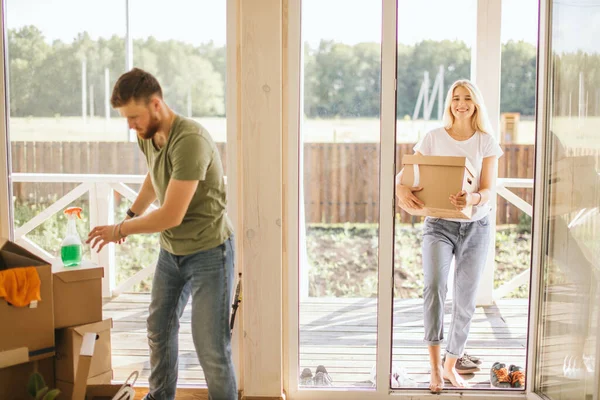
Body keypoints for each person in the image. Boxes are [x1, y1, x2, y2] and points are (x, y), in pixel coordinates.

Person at [87, 68, 236, 400]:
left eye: (134, 116)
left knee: (211, 346)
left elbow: (171, 214)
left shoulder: (190, 140)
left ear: (156, 104)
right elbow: (155, 177)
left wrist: (118, 229)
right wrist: (131, 213)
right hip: (172, 253)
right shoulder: (149, 135)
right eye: (126, 118)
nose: (130, 125)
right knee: (159, 328)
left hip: (210, 252)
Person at [395, 79, 503, 392]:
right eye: (455, 98)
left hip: (476, 227)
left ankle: (450, 365)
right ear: (449, 103)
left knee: (466, 299)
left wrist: (472, 199)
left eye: (467, 98)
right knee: (433, 287)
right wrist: (401, 190)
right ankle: (434, 370)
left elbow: (488, 190)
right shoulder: (432, 137)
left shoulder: (485, 141)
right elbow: (404, 177)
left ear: (476, 104)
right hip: (438, 224)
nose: (460, 103)